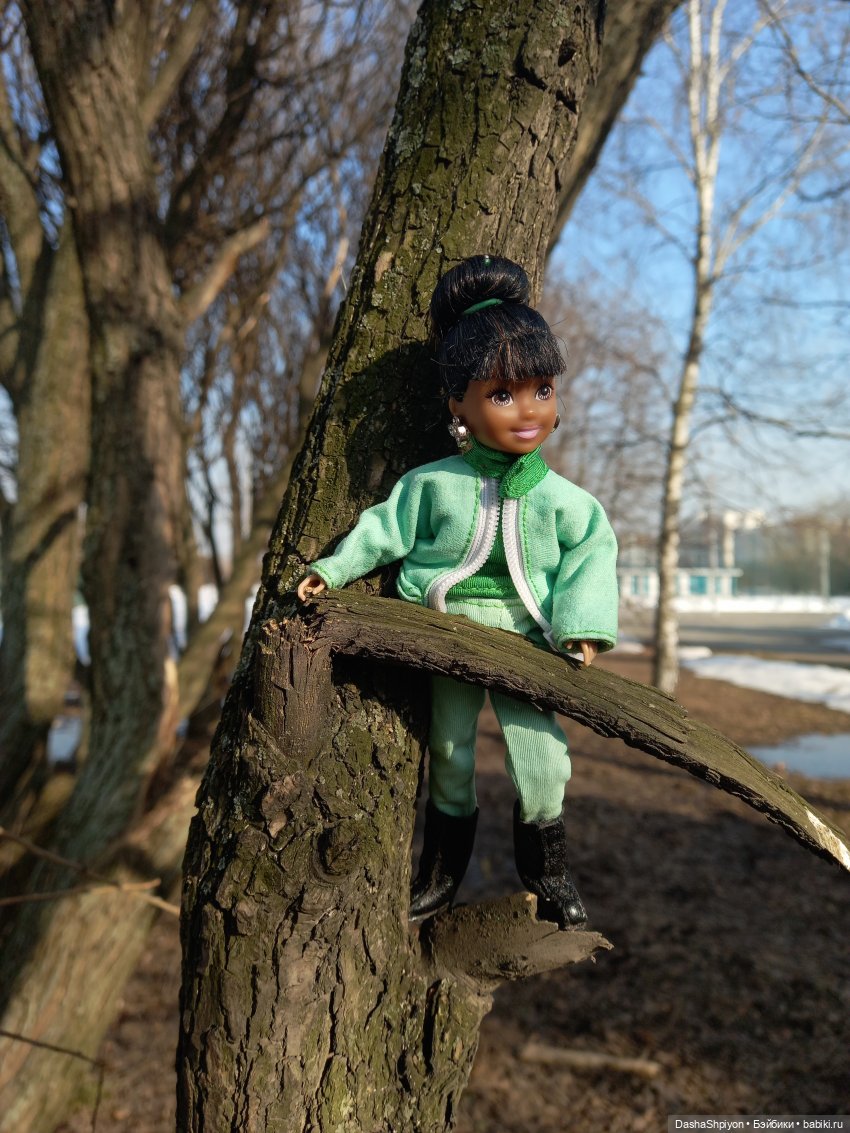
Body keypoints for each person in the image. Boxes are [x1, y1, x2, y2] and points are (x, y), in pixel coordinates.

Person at [297, 254, 618, 928]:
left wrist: (580, 626)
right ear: (458, 406)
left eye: (541, 389)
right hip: (446, 631)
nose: (527, 410)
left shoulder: (567, 501)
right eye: (501, 395)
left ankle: (548, 872)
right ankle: (441, 874)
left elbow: (593, 553)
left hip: (530, 638)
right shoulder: (433, 484)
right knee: (449, 753)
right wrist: (334, 569)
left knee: (543, 757)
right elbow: (382, 530)